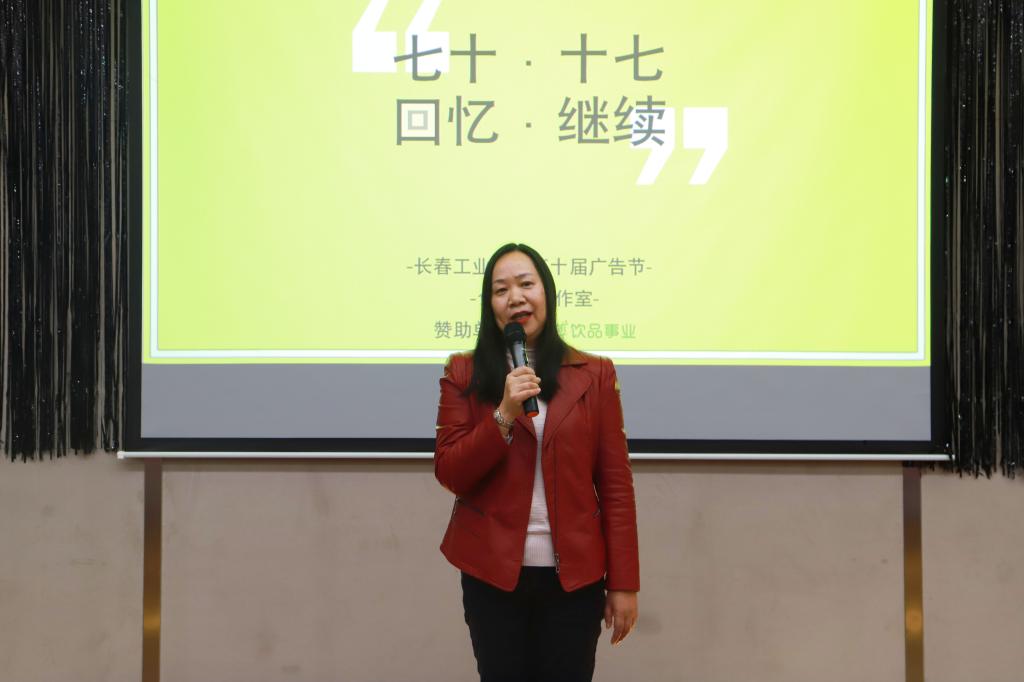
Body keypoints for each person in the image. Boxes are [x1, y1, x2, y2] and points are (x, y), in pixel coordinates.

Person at [434, 243, 640, 682]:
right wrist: (504, 414)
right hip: (492, 573)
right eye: (501, 290)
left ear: (546, 292)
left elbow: (616, 486)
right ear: (490, 305)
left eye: (526, 284)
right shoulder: (463, 372)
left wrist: (624, 582)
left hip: (575, 578)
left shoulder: (595, 374)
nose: (515, 297)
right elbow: (451, 472)